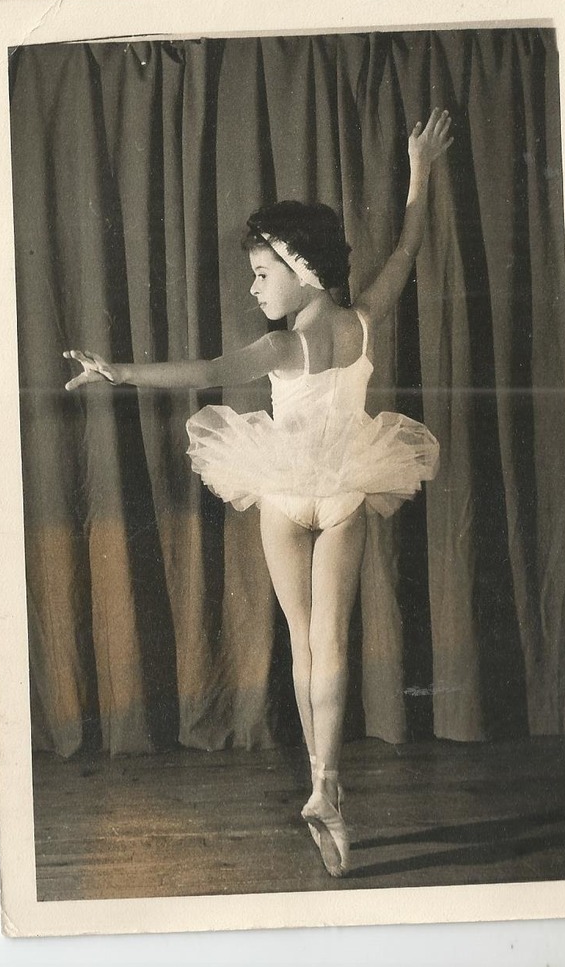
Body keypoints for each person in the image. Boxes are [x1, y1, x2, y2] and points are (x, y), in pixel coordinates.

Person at [64, 108, 453, 877]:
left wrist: (117, 372)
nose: (251, 288)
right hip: (346, 483)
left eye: (261, 274)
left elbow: (203, 371)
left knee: (306, 643)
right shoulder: (362, 323)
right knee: (330, 644)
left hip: (284, 489)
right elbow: (407, 246)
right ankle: (326, 789)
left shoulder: (283, 344)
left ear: (302, 270)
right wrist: (420, 171)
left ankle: (324, 793)